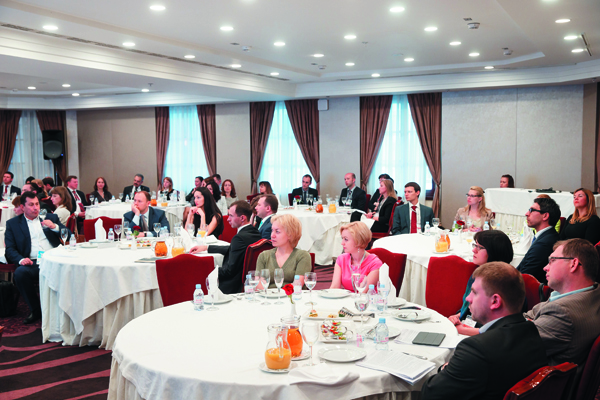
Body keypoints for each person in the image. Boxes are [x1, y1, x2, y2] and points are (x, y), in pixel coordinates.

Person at [421, 262, 547, 400]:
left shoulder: (476, 349)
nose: (468, 298)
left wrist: (444, 368)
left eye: (474, 292)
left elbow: (430, 393)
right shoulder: (531, 331)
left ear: (495, 301)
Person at [524, 238, 600, 369]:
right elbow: (529, 315)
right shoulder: (592, 292)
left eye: (552, 260)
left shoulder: (563, 312)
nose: (545, 267)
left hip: (535, 377)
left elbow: (515, 344)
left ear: (573, 264)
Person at [5, 192, 69, 323]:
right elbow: (10, 249)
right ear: (22, 207)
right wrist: (21, 259)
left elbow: (68, 234)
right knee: (20, 273)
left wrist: (54, 226)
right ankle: (35, 310)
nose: (36, 208)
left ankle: (68, 307)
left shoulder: (50, 217)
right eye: (31, 205)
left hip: (54, 258)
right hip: (33, 262)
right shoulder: (13, 224)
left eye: (37, 204)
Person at [448, 230, 514, 336]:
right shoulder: (479, 274)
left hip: (489, 338)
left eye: (479, 247)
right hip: (469, 328)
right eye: (475, 245)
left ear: (494, 251)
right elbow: (468, 309)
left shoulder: (504, 282)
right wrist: (457, 316)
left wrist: (462, 330)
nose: (474, 250)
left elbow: (502, 329)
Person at [191, 201, 261, 294]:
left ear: (242, 218)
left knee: (196, 274)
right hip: (248, 281)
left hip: (233, 286)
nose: (228, 219)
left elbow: (229, 271)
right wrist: (206, 247)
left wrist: (210, 270)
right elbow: (233, 249)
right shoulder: (255, 232)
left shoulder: (239, 238)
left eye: (231, 216)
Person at [256, 214, 312, 288]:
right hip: (267, 295)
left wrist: (279, 293)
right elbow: (258, 284)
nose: (272, 235)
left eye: (277, 231)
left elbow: (297, 285)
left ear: (290, 234)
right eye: (272, 230)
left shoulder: (302, 256)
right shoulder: (263, 256)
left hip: (292, 295)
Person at [517, 197, 561, 284]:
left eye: (531, 210)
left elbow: (524, 276)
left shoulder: (544, 243)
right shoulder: (546, 236)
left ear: (545, 216)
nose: (526, 214)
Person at [330, 222, 382, 291]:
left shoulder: (374, 263)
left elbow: (363, 292)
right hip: (348, 297)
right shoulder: (341, 259)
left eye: (346, 239)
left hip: (366, 297)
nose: (342, 243)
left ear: (358, 241)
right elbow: (334, 287)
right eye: (342, 238)